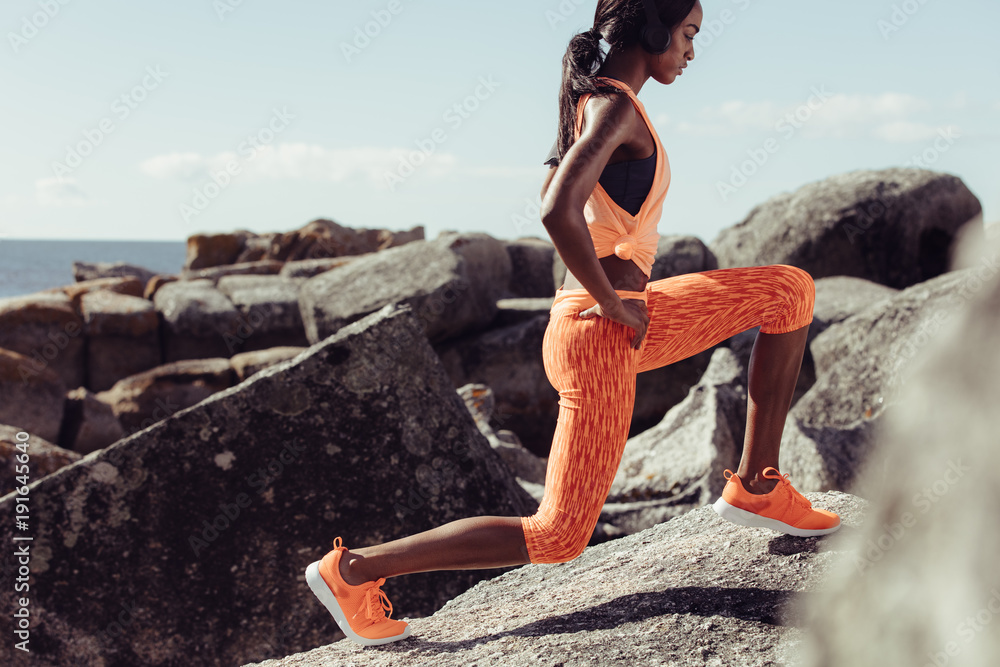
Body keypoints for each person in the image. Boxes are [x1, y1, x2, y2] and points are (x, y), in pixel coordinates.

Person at [305, 0, 840, 647]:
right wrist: (612, 301)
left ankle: (757, 483)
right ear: (653, 28)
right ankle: (353, 569)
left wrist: (617, 304)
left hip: (610, 324)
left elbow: (572, 208)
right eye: (690, 34)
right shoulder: (614, 107)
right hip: (600, 336)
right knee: (558, 534)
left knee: (787, 290)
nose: (693, 51)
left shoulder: (592, 104)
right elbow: (556, 208)